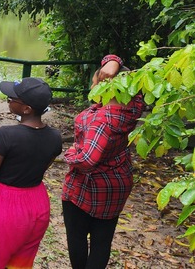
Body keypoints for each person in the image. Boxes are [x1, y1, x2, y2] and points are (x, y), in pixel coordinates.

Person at [0, 77, 62, 269]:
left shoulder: (5, 135)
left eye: (12, 99)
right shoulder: (55, 137)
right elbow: (40, 165)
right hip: (37, 204)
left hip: (4, 206)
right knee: (20, 263)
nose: (9, 100)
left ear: (26, 109)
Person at [61, 55, 145, 269]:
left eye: (95, 79)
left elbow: (88, 159)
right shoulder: (133, 105)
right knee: (102, 241)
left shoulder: (102, 120)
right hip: (117, 184)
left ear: (107, 85)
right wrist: (113, 60)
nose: (92, 83)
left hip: (87, 188)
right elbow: (128, 74)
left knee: (77, 238)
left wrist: (70, 154)